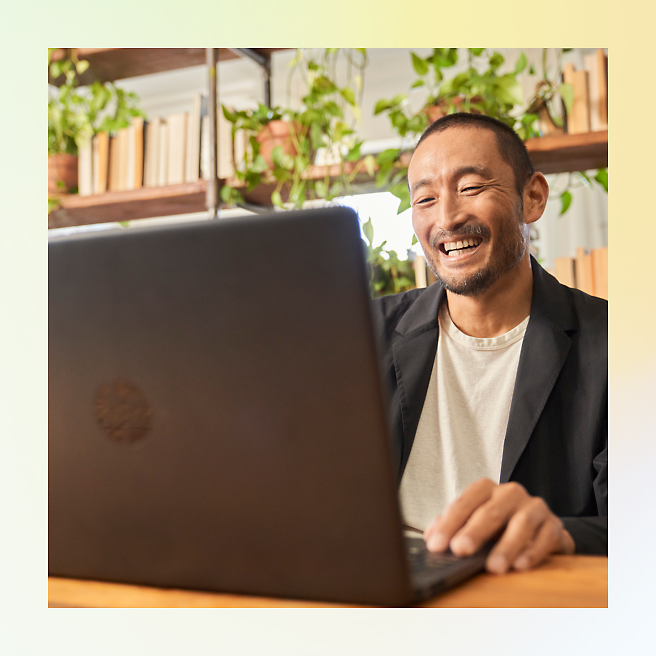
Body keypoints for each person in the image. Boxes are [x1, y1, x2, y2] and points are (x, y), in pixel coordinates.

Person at [371, 113, 607, 574]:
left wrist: (561, 533)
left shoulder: (619, 343)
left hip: (518, 593)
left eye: (472, 188)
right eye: (426, 198)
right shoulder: (364, 332)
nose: (448, 218)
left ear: (532, 197)